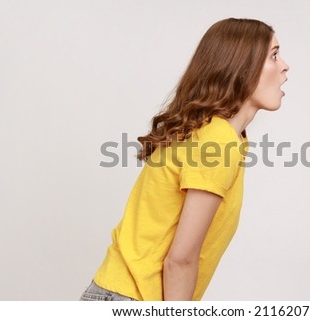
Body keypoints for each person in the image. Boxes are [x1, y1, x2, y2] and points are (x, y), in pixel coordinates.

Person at [80, 17, 289, 301]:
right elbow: (180, 260)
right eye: (274, 56)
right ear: (242, 68)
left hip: (117, 295)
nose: (285, 66)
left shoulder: (218, 134)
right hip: (133, 300)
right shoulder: (217, 140)